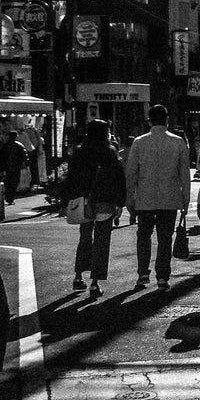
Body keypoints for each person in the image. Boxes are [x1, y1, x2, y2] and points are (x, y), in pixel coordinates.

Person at [125, 104, 192, 291]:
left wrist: (129, 198)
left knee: (143, 236)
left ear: (149, 121)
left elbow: (131, 174)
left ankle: (142, 273)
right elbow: (184, 174)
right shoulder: (178, 142)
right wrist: (185, 200)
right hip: (169, 198)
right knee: (165, 238)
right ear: (167, 120)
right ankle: (162, 276)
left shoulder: (139, 142)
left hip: (145, 198)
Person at [64, 119, 126, 297]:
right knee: (101, 241)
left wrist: (64, 202)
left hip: (84, 202)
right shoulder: (110, 152)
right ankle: (94, 282)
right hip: (105, 202)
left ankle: (78, 276)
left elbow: (71, 179)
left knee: (85, 237)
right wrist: (120, 203)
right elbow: (119, 179)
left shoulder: (80, 152)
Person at [0, 127, 29, 204]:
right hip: (16, 167)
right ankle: (11, 198)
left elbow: (1, 157)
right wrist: (25, 165)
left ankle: (8, 197)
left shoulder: (5, 146)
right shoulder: (19, 146)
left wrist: (1, 167)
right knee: (14, 183)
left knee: (8, 182)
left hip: (7, 167)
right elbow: (25, 156)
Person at [18, 120, 44, 189]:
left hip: (27, 151)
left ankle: (29, 183)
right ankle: (34, 182)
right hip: (31, 150)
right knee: (32, 167)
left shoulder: (23, 134)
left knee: (28, 168)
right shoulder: (28, 132)